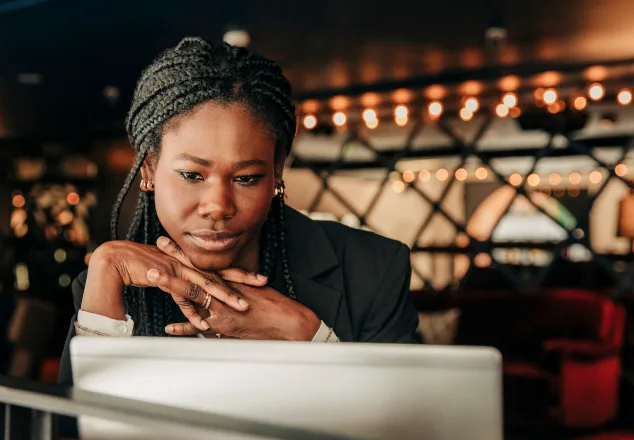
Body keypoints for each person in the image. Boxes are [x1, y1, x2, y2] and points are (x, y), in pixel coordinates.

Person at [57, 37, 419, 387]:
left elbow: (405, 431)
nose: (218, 205)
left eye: (246, 177)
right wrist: (103, 274)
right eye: (191, 175)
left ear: (277, 170)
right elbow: (72, 436)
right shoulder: (108, 285)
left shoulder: (373, 271)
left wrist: (308, 336)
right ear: (149, 169)